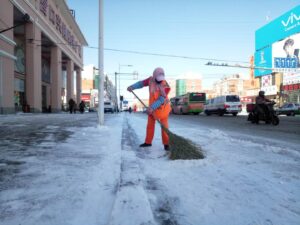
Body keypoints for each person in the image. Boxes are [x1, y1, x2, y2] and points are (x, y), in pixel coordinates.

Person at [127, 67, 171, 151]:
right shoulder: (150, 80)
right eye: (158, 79)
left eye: (161, 79)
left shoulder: (165, 85)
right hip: (152, 109)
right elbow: (141, 83)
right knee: (150, 126)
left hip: (163, 109)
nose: (160, 81)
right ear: (154, 76)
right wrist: (132, 87)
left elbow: (161, 99)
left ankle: (166, 144)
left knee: (164, 127)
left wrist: (151, 108)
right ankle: (148, 142)